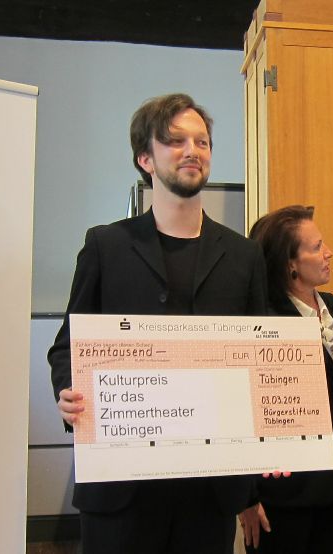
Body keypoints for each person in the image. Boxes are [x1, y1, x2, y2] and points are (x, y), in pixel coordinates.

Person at [47, 93, 267, 553]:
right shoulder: (106, 246)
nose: (192, 151)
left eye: (202, 141)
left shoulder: (244, 255)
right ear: (144, 158)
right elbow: (67, 345)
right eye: (175, 141)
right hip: (121, 482)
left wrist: (262, 463)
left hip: (209, 486)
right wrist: (68, 392)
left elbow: (261, 358)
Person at [238, 205, 333, 553]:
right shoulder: (263, 321)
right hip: (286, 491)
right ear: (289, 264)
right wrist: (247, 494)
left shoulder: (332, 307)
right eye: (317, 247)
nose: (329, 253)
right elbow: (241, 411)